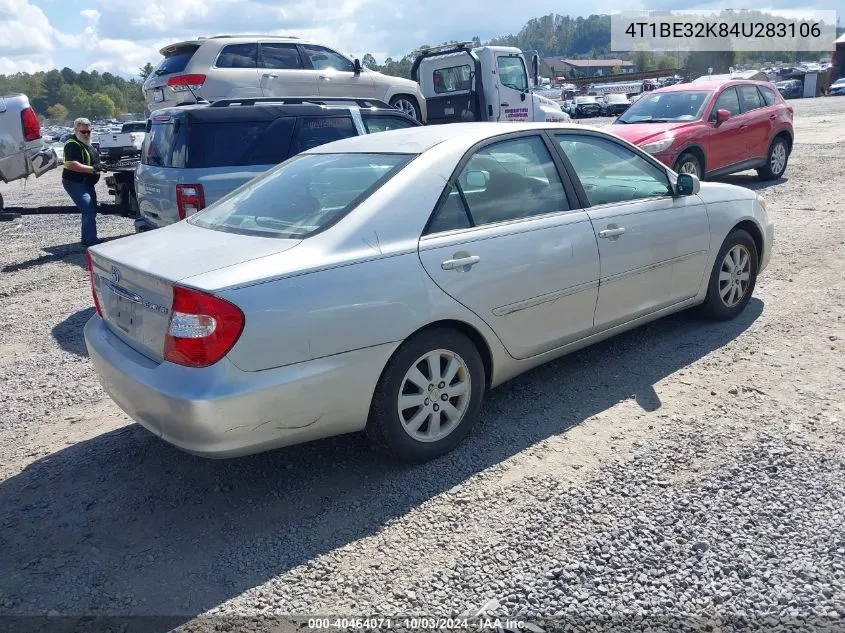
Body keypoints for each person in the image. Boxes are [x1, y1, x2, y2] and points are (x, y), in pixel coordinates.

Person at [62, 117, 106, 247]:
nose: (87, 134)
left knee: (91, 209)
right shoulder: (72, 144)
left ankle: (86, 239)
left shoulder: (86, 143)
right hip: (75, 183)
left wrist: (101, 165)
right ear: (76, 130)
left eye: (89, 131)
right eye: (83, 132)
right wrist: (93, 169)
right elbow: (71, 164)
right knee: (88, 208)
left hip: (87, 183)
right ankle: (92, 241)